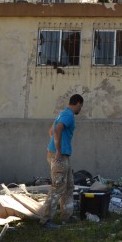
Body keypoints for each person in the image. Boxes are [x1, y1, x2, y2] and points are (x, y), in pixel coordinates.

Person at [39, 94, 84, 230]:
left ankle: (67, 215)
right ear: (78, 103)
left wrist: (56, 146)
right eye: (81, 106)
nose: (80, 109)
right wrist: (58, 150)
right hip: (59, 155)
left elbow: (51, 131)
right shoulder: (69, 115)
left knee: (69, 185)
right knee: (57, 186)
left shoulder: (62, 113)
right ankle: (45, 220)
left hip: (63, 155)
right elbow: (57, 130)